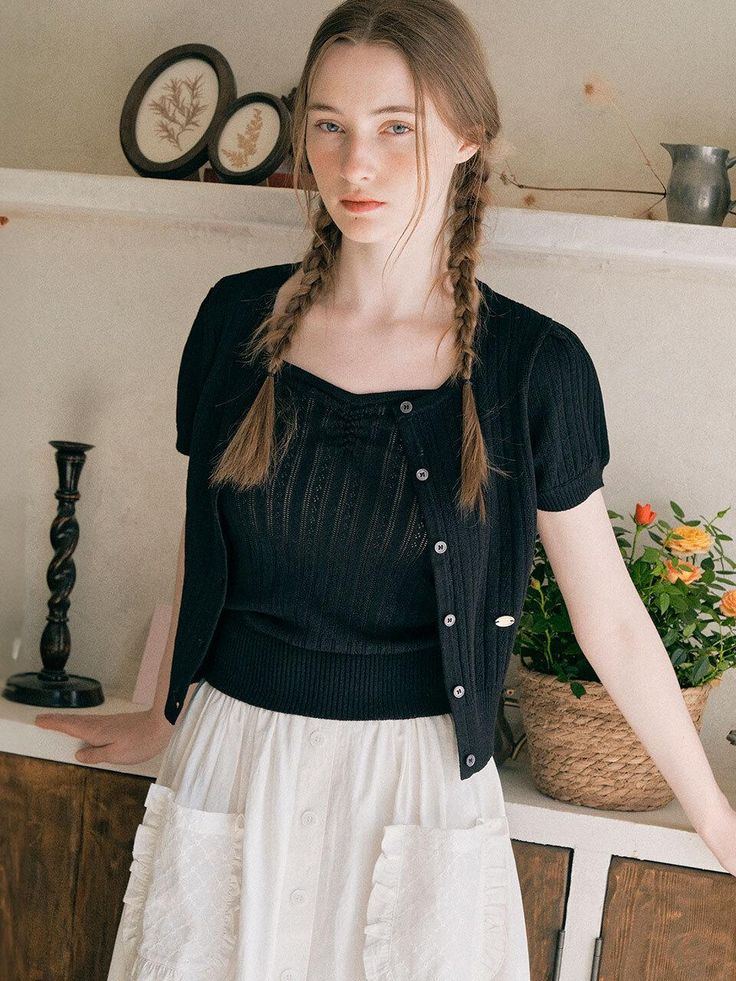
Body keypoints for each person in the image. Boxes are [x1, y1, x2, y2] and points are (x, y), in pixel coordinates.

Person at [34, 1, 736, 979]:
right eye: (328, 125)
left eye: (394, 128)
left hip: (415, 784)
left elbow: (608, 617)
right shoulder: (237, 322)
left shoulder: (533, 366)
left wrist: (710, 810)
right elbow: (205, 548)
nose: (353, 164)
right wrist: (163, 706)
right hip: (235, 760)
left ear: (467, 137)